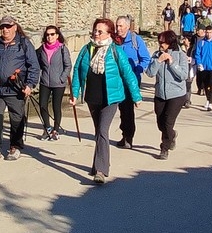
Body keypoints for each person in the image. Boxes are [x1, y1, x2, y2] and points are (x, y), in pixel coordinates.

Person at [70, 18, 142, 184]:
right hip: (92, 97)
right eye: (95, 30)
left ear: (109, 34)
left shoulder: (116, 51)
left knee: (103, 130)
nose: (96, 34)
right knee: (98, 132)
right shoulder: (86, 49)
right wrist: (75, 93)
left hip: (111, 97)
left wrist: (136, 96)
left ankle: (101, 170)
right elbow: (77, 72)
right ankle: (98, 164)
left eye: (100, 31)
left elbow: (128, 73)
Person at [0, 15, 40, 162]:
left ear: (15, 27)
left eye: (8, 26)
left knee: (17, 119)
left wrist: (30, 84)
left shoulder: (24, 43)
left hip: (16, 89)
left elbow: (34, 66)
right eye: (2, 27)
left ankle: (15, 146)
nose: (5, 29)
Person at [145, 30, 188, 160]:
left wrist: (171, 62)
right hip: (160, 94)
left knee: (168, 122)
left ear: (170, 42)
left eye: (163, 43)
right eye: (159, 42)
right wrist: (158, 61)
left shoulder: (181, 55)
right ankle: (172, 135)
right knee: (161, 123)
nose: (160, 45)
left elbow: (183, 75)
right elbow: (150, 73)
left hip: (177, 94)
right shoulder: (156, 55)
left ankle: (164, 148)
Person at [115, 16, 151, 149]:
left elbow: (146, 59)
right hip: (117, 81)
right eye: (117, 26)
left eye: (121, 26)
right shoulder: (115, 41)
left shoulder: (136, 40)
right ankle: (125, 134)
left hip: (132, 82)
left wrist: (136, 72)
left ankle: (128, 137)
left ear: (128, 27)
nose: (118, 28)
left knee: (128, 110)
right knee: (122, 109)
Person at [36, 25, 72, 141]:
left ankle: (56, 130)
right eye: (47, 34)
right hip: (45, 81)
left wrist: (62, 78)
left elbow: (68, 65)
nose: (49, 37)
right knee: (42, 105)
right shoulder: (42, 49)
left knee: (56, 106)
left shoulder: (62, 49)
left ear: (57, 36)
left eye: (52, 34)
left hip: (58, 83)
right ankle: (47, 128)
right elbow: (36, 63)